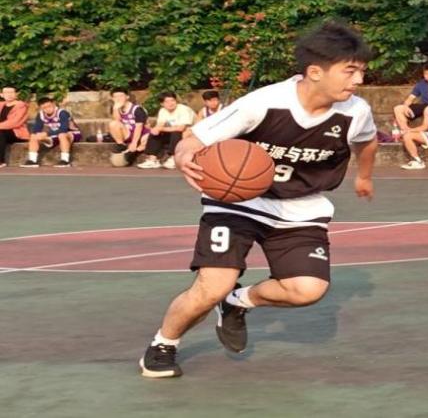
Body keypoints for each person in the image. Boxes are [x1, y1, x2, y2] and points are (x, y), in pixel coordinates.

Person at [139, 21, 378, 379]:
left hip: (300, 206)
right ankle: (163, 344)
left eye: (361, 71)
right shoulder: (264, 103)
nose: (358, 80)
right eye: (350, 70)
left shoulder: (355, 112)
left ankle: (237, 302)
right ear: (315, 71)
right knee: (212, 286)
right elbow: (195, 139)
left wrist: (364, 175)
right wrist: (185, 154)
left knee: (307, 290)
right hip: (237, 202)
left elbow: (367, 142)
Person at [138, 92, 197, 170]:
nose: (171, 103)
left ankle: (173, 158)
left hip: (190, 133)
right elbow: (160, 125)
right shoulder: (163, 111)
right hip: (175, 133)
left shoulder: (183, 109)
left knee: (176, 133)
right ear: (162, 104)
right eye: (167, 102)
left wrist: (161, 128)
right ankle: (152, 159)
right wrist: (156, 129)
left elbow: (181, 128)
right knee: (155, 133)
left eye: (172, 100)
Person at [20, 97, 82, 168]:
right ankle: (32, 160)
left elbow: (64, 129)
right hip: (55, 135)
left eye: (49, 106)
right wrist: (36, 137)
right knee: (34, 136)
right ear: (41, 108)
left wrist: (47, 134)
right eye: (44, 108)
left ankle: (65, 160)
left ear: (53, 104)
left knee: (62, 135)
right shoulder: (41, 115)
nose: (47, 109)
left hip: (71, 134)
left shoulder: (62, 113)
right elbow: (36, 129)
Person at [108, 88, 149, 160]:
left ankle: (133, 153)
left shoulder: (137, 109)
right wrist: (115, 109)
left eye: (121, 96)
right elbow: (117, 121)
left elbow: (139, 127)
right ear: (112, 99)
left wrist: (134, 142)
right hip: (128, 133)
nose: (118, 99)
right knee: (113, 124)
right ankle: (121, 145)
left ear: (127, 97)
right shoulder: (115, 108)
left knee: (147, 140)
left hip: (141, 133)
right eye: (116, 97)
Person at [0, 86, 29, 168]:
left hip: (17, 133)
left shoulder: (21, 106)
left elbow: (14, 122)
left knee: (0, 133)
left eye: (11, 92)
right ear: (1, 95)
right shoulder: (1, 105)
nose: (9, 94)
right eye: (6, 92)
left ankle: (1, 161)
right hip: (4, 131)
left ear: (16, 94)